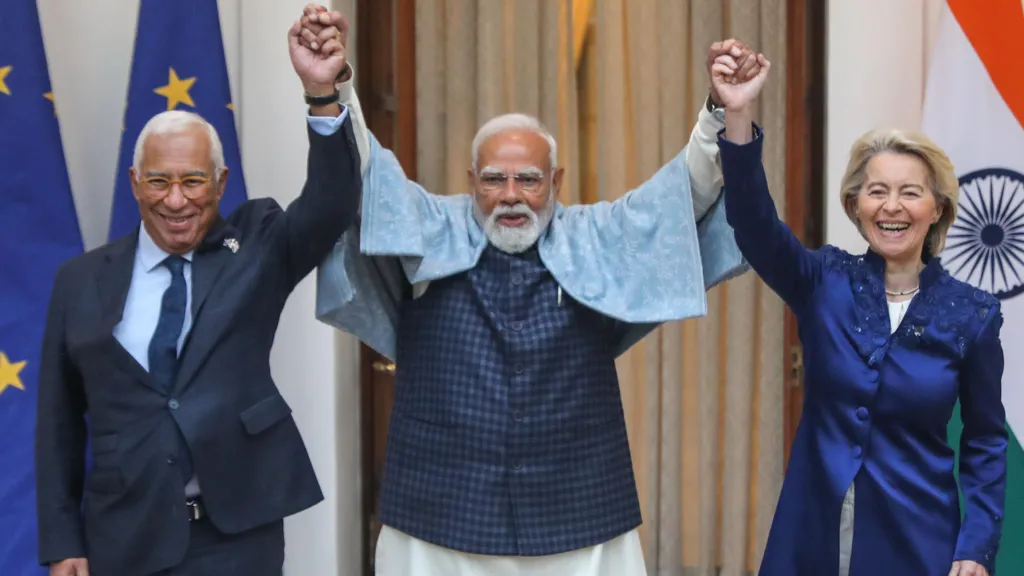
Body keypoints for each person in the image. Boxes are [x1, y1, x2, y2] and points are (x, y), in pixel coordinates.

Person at [302, 6, 758, 575]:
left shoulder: (598, 235)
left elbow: (680, 193)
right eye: (494, 179)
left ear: (556, 183)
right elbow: (366, 172)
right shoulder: (427, 227)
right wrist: (331, 89)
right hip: (440, 511)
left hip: (578, 512)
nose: (511, 195)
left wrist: (720, 112)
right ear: (471, 182)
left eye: (529, 179)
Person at [34, 13, 361, 576]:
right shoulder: (80, 281)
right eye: (159, 181)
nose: (176, 200)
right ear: (137, 184)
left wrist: (321, 94)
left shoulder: (257, 245)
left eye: (193, 181)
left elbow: (332, 203)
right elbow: (58, 424)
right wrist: (65, 542)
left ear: (221, 183)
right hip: (124, 534)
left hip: (234, 534)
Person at [710, 48, 1007, 576]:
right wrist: (736, 114)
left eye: (910, 193)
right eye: (877, 192)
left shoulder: (973, 315)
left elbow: (984, 439)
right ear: (855, 206)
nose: (892, 207)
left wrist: (975, 545)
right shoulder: (823, 279)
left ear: (936, 209)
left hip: (918, 538)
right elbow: (754, 224)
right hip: (811, 533)